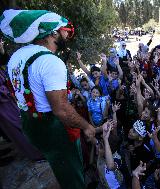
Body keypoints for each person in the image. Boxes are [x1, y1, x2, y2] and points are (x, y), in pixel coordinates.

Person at [1, 9, 98, 189]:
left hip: (29, 123)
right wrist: (86, 126)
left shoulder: (16, 56)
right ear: (53, 32)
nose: (68, 34)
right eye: (65, 30)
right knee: (71, 172)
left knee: (55, 160)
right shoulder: (51, 62)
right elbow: (61, 110)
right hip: (52, 127)